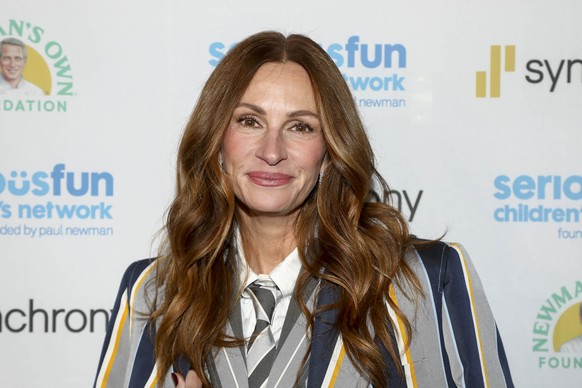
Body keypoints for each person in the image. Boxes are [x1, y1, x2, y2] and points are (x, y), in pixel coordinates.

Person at [94, 31, 514, 388]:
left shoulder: (419, 281)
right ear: (216, 141)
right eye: (249, 121)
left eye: (300, 127)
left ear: (330, 152)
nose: (272, 151)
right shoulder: (154, 292)